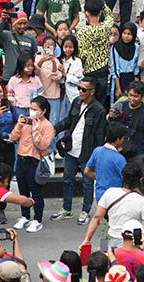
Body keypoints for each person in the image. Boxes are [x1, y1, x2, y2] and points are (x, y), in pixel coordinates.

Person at [51, 75, 107, 225]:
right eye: (79, 88)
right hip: (71, 149)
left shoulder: (99, 110)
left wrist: (97, 156)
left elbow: (100, 136)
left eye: (83, 89)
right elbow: (69, 121)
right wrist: (55, 128)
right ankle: (66, 209)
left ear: (92, 91)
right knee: (67, 180)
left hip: (87, 152)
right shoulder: (76, 102)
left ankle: (85, 211)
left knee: (87, 183)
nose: (80, 91)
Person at [9, 96, 54, 233]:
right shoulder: (26, 122)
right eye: (31, 108)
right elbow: (13, 137)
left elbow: (43, 145)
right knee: (23, 190)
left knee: (36, 192)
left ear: (43, 111)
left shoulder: (47, 126)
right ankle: (25, 215)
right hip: (21, 159)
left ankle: (37, 219)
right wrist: (19, 125)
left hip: (35, 161)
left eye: (35, 109)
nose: (32, 111)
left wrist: (36, 129)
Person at [76, 0, 113, 101]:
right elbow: (109, 16)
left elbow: (82, 54)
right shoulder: (106, 28)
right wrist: (103, 3)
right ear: (100, 12)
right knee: (100, 104)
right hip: (103, 71)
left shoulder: (82, 32)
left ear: (86, 12)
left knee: (87, 102)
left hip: (88, 72)